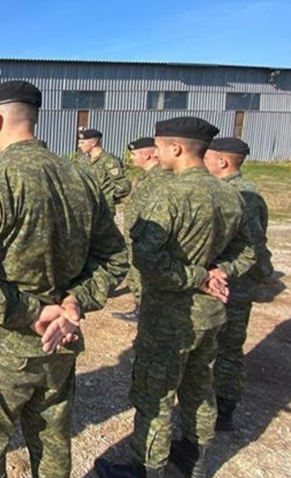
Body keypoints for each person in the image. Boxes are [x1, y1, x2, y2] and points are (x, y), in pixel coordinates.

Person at [0, 80, 128, 478]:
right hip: (58, 346)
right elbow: (113, 257)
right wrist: (74, 303)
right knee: (53, 448)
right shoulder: (82, 180)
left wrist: (33, 312)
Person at [94, 118, 256, 478]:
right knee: (199, 387)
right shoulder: (228, 193)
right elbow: (247, 252)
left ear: (177, 149)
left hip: (171, 317)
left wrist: (199, 276)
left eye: (161, 146)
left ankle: (146, 469)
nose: (157, 153)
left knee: (157, 394)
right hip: (211, 314)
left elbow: (147, 260)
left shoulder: (169, 194)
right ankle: (194, 461)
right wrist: (219, 272)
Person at [204, 137, 276, 431]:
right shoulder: (232, 190)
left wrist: (261, 275)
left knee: (227, 350)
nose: (203, 161)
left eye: (208, 156)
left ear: (223, 162)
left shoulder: (242, 195)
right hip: (231, 283)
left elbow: (254, 245)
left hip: (234, 285)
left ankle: (223, 408)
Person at [112, 137, 167, 321]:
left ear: (147, 154)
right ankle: (140, 308)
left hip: (146, 238)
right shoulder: (145, 176)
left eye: (134, 154)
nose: (131, 158)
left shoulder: (161, 178)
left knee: (144, 276)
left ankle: (146, 312)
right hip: (135, 236)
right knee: (135, 274)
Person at [77, 128, 132, 210]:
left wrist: (108, 198)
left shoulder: (109, 160)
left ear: (93, 143)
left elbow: (123, 186)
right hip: (85, 206)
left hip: (103, 210)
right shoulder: (82, 161)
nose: (79, 146)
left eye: (82, 143)